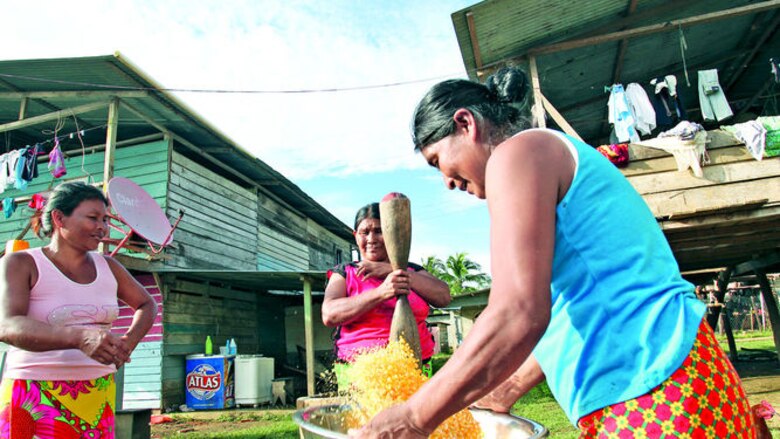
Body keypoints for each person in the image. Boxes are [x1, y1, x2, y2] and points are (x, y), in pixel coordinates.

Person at [351, 68, 756, 438]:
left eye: (439, 161)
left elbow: (517, 313)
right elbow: (567, 311)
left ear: (465, 123)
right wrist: (502, 389)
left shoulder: (518, 153)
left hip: (657, 391)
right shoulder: (547, 157)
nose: (447, 183)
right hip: (673, 383)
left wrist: (413, 417)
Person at [0, 181, 157, 438]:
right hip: (32, 394)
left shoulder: (110, 267)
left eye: (105, 219)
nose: (102, 227)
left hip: (97, 391)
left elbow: (146, 304)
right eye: (93, 218)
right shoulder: (21, 263)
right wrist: (80, 337)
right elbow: (6, 325)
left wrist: (129, 342)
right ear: (59, 218)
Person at [322, 202, 450, 379]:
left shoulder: (412, 271)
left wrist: (395, 270)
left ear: (392, 235)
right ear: (355, 236)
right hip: (360, 371)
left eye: (379, 231)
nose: (371, 239)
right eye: (364, 232)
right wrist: (381, 292)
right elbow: (329, 314)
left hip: (417, 367)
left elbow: (444, 296)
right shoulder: (345, 272)